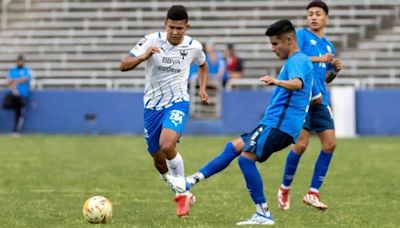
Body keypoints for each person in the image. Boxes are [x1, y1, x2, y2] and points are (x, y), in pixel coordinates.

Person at [173, 19, 314, 225]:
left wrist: (276, 81)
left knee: (246, 159)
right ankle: (190, 181)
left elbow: (297, 84)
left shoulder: (297, 61)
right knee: (234, 147)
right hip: (274, 122)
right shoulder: (297, 61)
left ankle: (263, 213)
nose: (273, 48)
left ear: (289, 39)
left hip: (279, 124)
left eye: (276, 44)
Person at [119, 5, 210, 217]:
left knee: (167, 144)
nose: (176, 32)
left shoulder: (194, 46)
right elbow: (123, 65)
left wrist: (202, 88)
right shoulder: (151, 40)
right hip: (152, 106)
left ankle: (181, 197)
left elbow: (203, 65)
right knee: (158, 159)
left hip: (178, 102)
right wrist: (143, 57)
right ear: (165, 24)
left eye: (180, 28)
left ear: (187, 27)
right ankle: (183, 193)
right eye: (172, 27)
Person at [277, 0, 342, 211]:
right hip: (303, 98)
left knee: (330, 144)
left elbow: (325, 78)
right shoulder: (302, 36)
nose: (313, 17)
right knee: (301, 144)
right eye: (310, 14)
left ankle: (313, 192)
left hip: (321, 99)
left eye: (318, 14)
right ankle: (284, 189)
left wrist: (335, 71)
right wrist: (320, 58)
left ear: (326, 18)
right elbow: (296, 58)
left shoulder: (329, 46)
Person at [3, 54, 33, 135]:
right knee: (8, 106)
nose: (20, 62)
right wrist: (14, 89)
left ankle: (16, 129)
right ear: (16, 61)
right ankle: (14, 129)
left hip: (23, 95)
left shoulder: (27, 70)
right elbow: (8, 82)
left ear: (23, 62)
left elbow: (25, 79)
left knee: (19, 112)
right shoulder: (12, 70)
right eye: (18, 60)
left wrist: (14, 81)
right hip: (14, 94)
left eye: (21, 61)